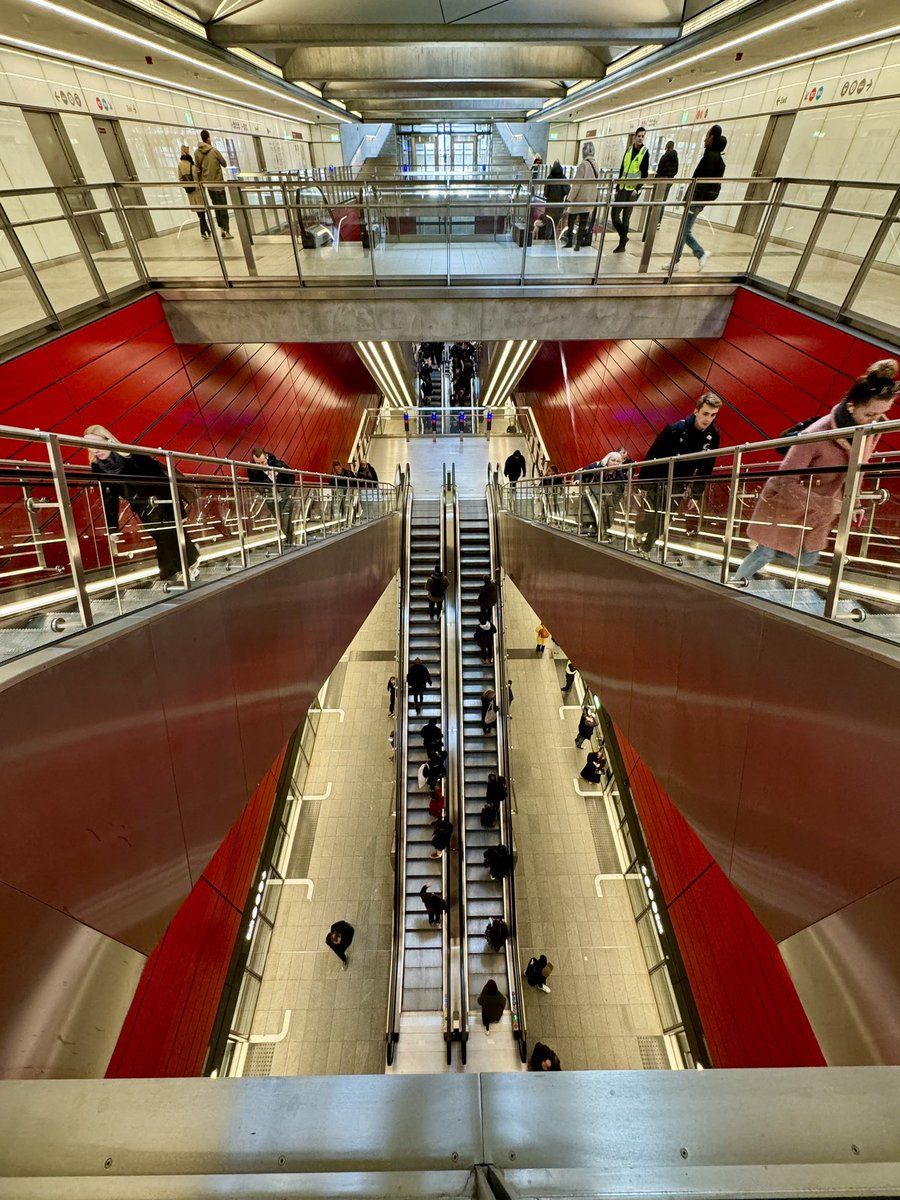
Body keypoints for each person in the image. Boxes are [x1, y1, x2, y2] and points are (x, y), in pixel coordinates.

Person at [730, 362, 898, 585]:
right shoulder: (816, 434)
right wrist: (826, 505)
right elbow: (784, 482)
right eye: (869, 414)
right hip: (785, 507)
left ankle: (770, 551)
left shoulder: (870, 431)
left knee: (808, 558)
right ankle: (735, 582)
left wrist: (855, 504)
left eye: (881, 414)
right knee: (765, 553)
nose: (874, 420)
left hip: (814, 513)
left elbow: (857, 471)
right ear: (851, 405)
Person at [86, 424, 200, 582]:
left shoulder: (132, 455)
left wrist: (179, 511)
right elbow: (109, 496)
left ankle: (170, 575)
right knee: (166, 537)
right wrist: (112, 527)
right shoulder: (97, 467)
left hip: (163, 502)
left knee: (166, 538)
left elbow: (164, 481)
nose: (95, 450)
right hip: (142, 509)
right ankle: (190, 560)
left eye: (97, 444)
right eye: (90, 446)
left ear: (109, 440)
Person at [636, 392, 723, 556]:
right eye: (705, 413)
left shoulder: (713, 436)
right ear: (696, 411)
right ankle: (641, 532)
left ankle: (646, 545)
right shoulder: (675, 429)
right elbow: (652, 454)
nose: (708, 419)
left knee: (665, 517)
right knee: (656, 515)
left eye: (713, 415)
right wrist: (642, 484)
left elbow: (706, 466)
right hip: (658, 479)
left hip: (679, 482)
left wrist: (696, 493)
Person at [675, 124, 727, 271]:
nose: (705, 138)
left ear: (712, 137)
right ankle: (675, 262)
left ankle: (701, 253)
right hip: (697, 199)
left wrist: (692, 199)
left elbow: (701, 183)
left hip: (695, 199)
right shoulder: (713, 156)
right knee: (683, 230)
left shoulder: (711, 157)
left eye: (707, 135)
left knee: (684, 231)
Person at [610, 127, 649, 253]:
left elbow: (644, 174)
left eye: (643, 136)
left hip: (632, 190)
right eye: (639, 136)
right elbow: (623, 169)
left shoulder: (645, 152)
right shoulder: (628, 150)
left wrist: (637, 189)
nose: (640, 138)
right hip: (622, 188)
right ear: (634, 137)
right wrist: (617, 186)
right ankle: (624, 236)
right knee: (615, 214)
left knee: (626, 216)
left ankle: (622, 244)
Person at [247, 447, 296, 545]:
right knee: (280, 520)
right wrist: (269, 478)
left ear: (267, 457)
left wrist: (288, 489)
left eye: (263, 462)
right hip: (270, 498)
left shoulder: (278, 464)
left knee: (286, 519)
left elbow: (291, 475)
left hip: (285, 495)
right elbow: (256, 486)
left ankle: (291, 539)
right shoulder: (252, 470)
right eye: (258, 463)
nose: (261, 465)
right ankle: (290, 539)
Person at [194, 129, 234, 239]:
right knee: (223, 208)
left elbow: (197, 168)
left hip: (208, 186)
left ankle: (221, 228)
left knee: (216, 207)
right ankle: (226, 231)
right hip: (218, 184)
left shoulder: (197, 153)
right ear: (208, 138)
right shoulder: (214, 151)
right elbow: (224, 164)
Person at [561, 141, 599, 251]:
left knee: (571, 219)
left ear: (584, 151)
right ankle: (578, 244)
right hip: (590, 197)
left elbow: (577, 184)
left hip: (580, 197)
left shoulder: (583, 164)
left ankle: (569, 242)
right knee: (583, 220)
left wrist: (569, 199)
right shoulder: (595, 164)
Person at [177, 145, 209, 239]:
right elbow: (199, 175)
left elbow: (180, 180)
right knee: (202, 212)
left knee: (200, 213)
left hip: (191, 192)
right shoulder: (192, 163)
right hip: (198, 190)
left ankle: (206, 230)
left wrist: (187, 187)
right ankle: (203, 231)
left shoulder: (180, 164)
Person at [650, 140, 679, 232]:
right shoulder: (676, 158)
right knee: (663, 202)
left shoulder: (664, 157)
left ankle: (652, 220)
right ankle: (658, 223)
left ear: (666, 146)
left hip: (661, 181)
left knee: (656, 201)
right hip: (669, 181)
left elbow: (659, 169)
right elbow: (676, 170)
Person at [542, 160, 569, 238]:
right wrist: (566, 205)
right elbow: (568, 192)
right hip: (559, 207)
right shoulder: (563, 178)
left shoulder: (549, 178)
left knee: (548, 227)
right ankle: (553, 241)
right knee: (555, 227)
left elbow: (545, 194)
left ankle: (546, 241)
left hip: (549, 207)